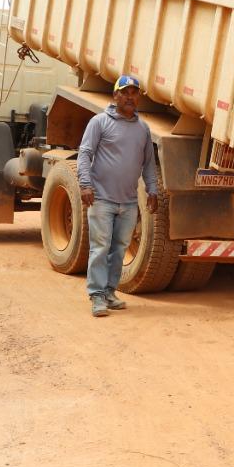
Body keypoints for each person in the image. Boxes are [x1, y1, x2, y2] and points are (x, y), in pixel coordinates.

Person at [77, 75, 159, 317]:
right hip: (101, 198)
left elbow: (149, 165)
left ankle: (110, 292)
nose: (130, 97)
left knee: (119, 248)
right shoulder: (99, 122)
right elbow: (84, 154)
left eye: (134, 93)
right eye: (125, 92)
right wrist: (85, 184)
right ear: (115, 96)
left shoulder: (143, 129)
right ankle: (97, 296)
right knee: (100, 248)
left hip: (129, 202)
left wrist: (152, 190)